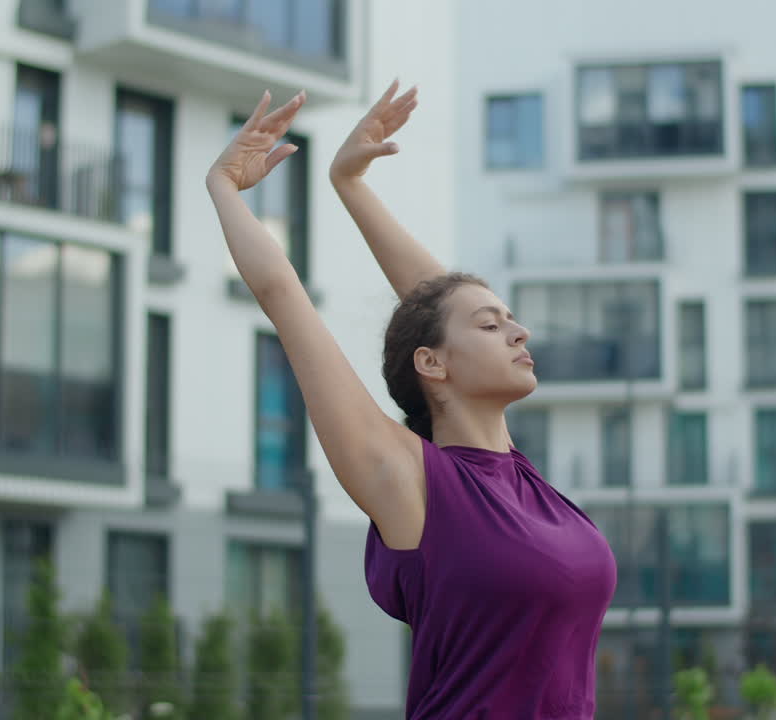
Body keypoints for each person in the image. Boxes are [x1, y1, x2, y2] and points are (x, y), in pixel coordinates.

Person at [206, 81, 617, 720]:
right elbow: (284, 294)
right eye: (493, 326)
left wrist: (351, 184)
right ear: (432, 365)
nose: (520, 332)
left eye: (510, 320)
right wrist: (224, 188)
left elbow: (439, 302)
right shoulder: (410, 481)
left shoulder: (520, 483)